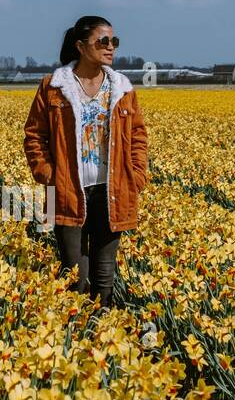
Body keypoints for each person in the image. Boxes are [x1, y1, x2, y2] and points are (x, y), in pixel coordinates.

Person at [23, 15, 148, 309]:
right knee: (74, 277)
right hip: (65, 191)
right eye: (102, 41)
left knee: (105, 276)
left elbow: (139, 136)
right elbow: (34, 135)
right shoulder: (53, 87)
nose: (110, 48)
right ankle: (77, 337)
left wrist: (136, 176)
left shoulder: (123, 89)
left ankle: (103, 332)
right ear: (80, 46)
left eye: (114, 41)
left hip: (111, 191)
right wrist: (48, 174)